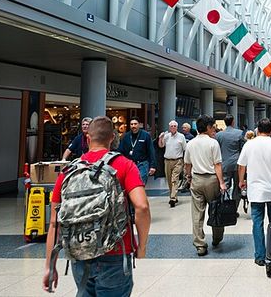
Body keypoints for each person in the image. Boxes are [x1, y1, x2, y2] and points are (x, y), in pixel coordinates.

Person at [43, 116, 150, 296]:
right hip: (115, 252)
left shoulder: (69, 171)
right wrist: (141, 246)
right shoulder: (125, 165)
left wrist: (49, 266)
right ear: (112, 138)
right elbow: (142, 207)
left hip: (79, 252)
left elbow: (54, 222)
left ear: (87, 138)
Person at [237, 118, 271, 266]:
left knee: (257, 223)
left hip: (255, 190)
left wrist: (241, 181)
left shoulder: (249, 144)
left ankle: (260, 256)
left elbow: (241, 165)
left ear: (257, 129)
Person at [183, 115, 227, 256]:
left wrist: (189, 177)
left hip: (196, 179)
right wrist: (221, 182)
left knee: (197, 213)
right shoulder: (213, 143)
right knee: (216, 210)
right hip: (212, 180)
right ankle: (217, 238)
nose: (214, 129)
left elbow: (187, 164)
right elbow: (217, 164)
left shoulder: (191, 143)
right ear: (208, 127)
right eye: (213, 126)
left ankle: (200, 244)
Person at [216, 114, 245, 207]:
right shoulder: (239, 133)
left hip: (224, 164)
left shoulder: (219, 135)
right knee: (238, 187)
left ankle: (225, 207)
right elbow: (242, 149)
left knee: (225, 186)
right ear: (233, 122)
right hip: (237, 164)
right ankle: (234, 208)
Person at [118, 117, 156, 185]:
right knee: (130, 184)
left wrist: (152, 166)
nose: (133, 126)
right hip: (130, 164)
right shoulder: (126, 136)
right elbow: (121, 151)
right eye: (131, 124)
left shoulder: (145, 135)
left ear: (139, 125)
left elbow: (151, 151)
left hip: (142, 164)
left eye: (135, 124)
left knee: (140, 183)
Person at [158, 120, 188, 207]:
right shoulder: (166, 136)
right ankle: (174, 195)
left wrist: (185, 161)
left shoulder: (181, 136)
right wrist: (160, 138)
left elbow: (185, 149)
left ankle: (172, 198)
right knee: (169, 180)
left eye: (175, 126)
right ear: (169, 127)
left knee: (174, 179)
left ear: (177, 127)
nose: (173, 127)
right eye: (172, 126)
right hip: (167, 160)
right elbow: (161, 146)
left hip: (178, 160)